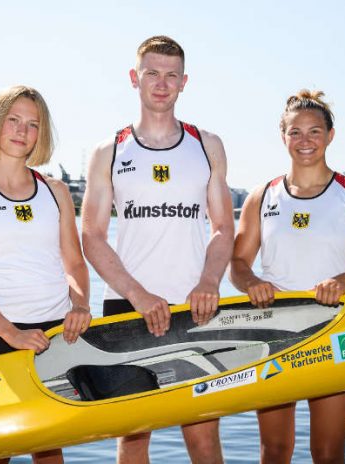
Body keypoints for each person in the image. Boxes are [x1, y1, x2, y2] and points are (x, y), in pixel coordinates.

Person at [81, 36, 234, 464]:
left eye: (171, 75)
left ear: (184, 82)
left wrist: (208, 281)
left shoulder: (208, 145)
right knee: (133, 438)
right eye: (152, 73)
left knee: (203, 437)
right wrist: (139, 295)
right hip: (129, 309)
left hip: (195, 307)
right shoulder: (108, 152)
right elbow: (91, 234)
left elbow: (223, 228)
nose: (161, 84)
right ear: (135, 78)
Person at [230, 89, 345, 464]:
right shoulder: (262, 196)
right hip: (274, 332)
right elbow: (238, 264)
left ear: (330, 135)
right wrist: (252, 284)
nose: (305, 141)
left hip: (336, 330)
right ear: (283, 137)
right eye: (295, 132)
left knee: (326, 452)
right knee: (275, 451)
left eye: (314, 131)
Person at [0, 85, 92, 464]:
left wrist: (80, 303)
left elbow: (74, 263)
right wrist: (12, 334)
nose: (21, 131)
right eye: (13, 120)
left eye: (32, 124)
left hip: (56, 335)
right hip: (0, 334)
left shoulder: (55, 191)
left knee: (48, 450)